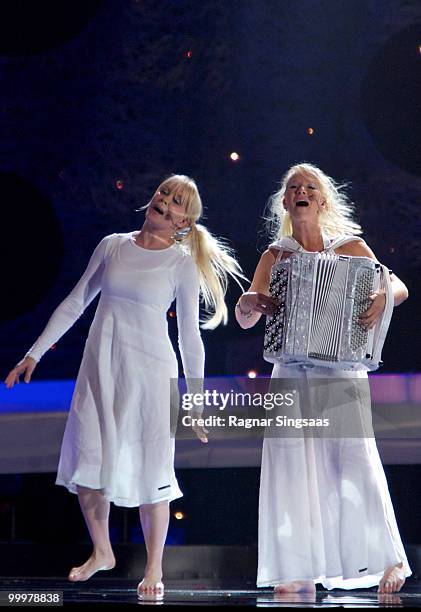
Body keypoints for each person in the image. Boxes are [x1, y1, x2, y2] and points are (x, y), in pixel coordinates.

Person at [5, 174, 245, 600]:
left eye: (176, 202)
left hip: (151, 375)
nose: (164, 202)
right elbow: (77, 301)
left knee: (153, 466)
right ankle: (103, 551)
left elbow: (190, 335)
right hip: (101, 368)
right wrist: (34, 353)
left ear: (182, 223)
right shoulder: (113, 245)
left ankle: (154, 566)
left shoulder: (180, 264)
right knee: (89, 455)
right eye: (163, 193)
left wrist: (197, 399)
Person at [235, 162, 411, 595]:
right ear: (285, 201)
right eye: (294, 187)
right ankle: (298, 569)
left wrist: (379, 295)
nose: (301, 191)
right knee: (293, 467)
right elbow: (245, 316)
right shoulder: (275, 256)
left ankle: (392, 561)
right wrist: (250, 303)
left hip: (342, 371)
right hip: (292, 371)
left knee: (355, 462)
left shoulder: (350, 248)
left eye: (310, 186)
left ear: (322, 199)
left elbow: (400, 287)